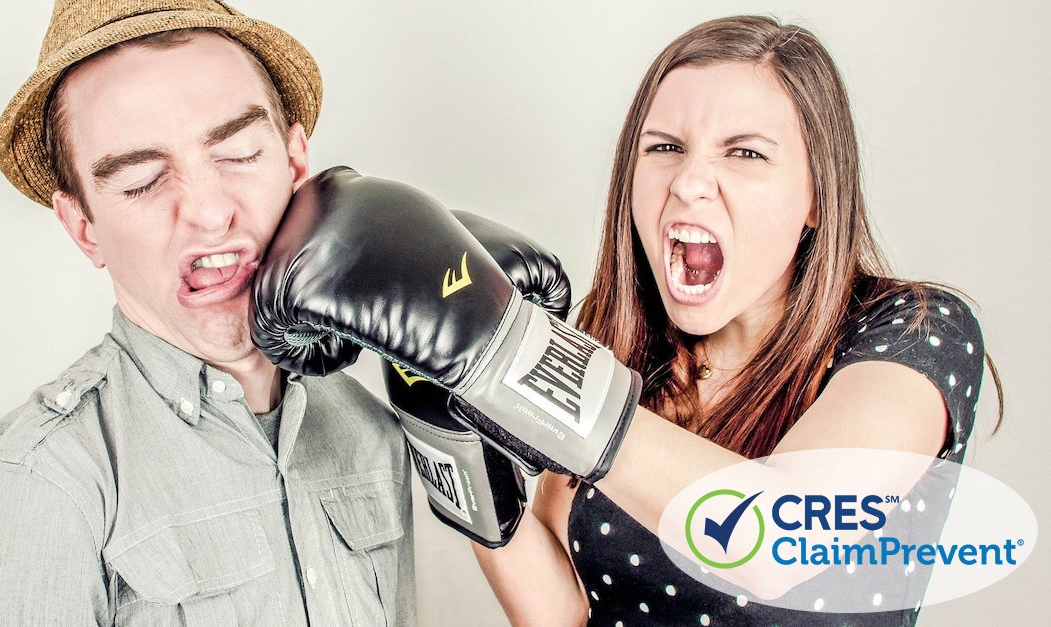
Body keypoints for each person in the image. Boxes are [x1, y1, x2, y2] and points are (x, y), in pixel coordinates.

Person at [246, 14, 1002, 627]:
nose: (690, 183)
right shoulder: (617, 353)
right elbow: (562, 611)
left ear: (816, 200)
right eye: (664, 147)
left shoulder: (911, 333)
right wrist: (441, 415)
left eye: (744, 153)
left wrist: (507, 356)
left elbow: (778, 534)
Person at [0, 1, 414, 624]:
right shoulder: (28, 490)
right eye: (143, 180)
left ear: (296, 162)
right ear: (84, 227)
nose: (208, 211)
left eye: (237, 153)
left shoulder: (370, 429)